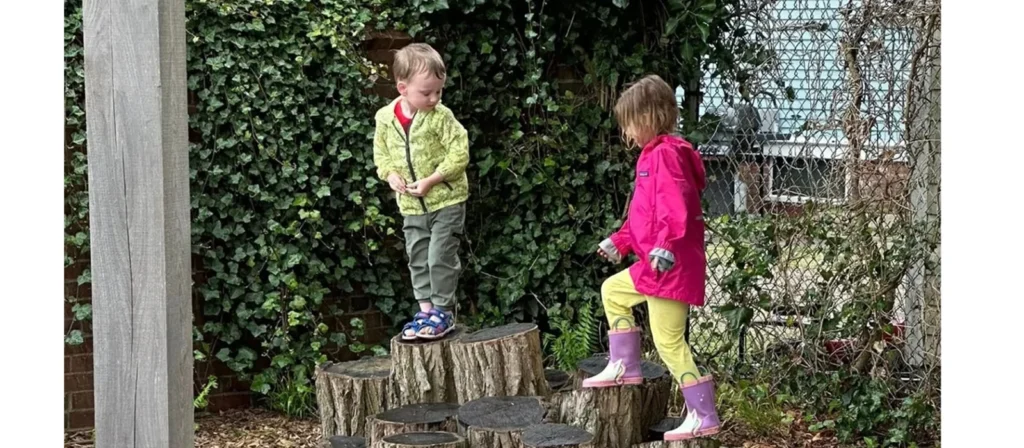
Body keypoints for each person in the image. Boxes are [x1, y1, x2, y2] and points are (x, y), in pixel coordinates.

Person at [582, 74, 721, 441]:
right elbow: (643, 215)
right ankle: (625, 365)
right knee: (613, 290)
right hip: (655, 265)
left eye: (629, 122)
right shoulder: (651, 155)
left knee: (670, 343)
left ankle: (703, 415)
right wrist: (620, 241)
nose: (626, 131)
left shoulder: (666, 155)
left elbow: (677, 206)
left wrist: (666, 246)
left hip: (669, 267)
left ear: (649, 117)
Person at [372, 43, 469, 340]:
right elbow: (382, 155)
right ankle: (426, 311)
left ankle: (443, 311)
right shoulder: (385, 119)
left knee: (439, 256)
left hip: (447, 200)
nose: (434, 98)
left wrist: (433, 179)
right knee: (417, 256)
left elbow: (460, 151)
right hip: (411, 206)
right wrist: (390, 176)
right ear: (403, 88)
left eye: (438, 91)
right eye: (426, 92)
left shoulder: (441, 116)